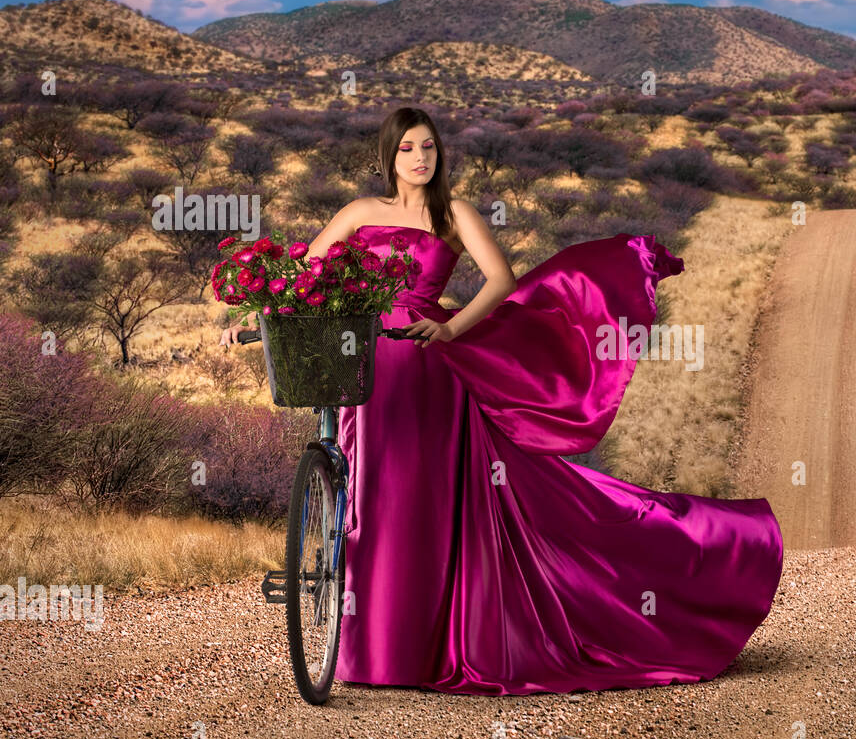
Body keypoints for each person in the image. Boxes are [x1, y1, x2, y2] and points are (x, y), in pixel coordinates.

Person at [221, 106, 783, 695]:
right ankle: (368, 648)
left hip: (424, 363)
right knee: (371, 494)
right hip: (363, 358)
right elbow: (306, 282)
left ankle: (408, 651)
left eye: (430, 148)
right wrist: (253, 326)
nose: (420, 158)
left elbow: (502, 282)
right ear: (388, 155)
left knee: (419, 503)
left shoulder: (454, 213)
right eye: (408, 148)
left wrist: (450, 329)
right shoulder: (360, 212)